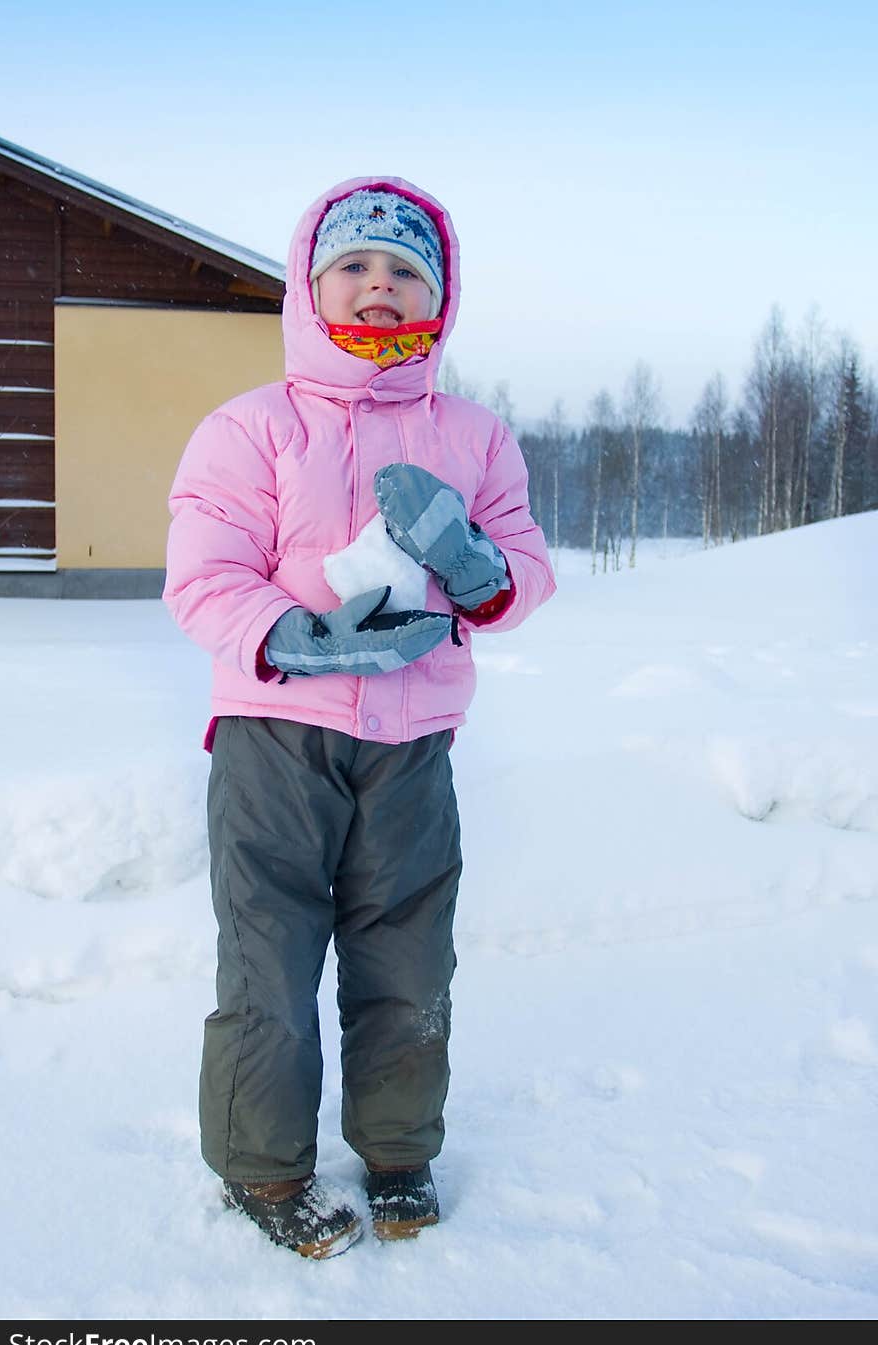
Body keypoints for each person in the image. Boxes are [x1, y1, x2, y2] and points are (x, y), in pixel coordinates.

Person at [163, 176, 556, 1259]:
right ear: (311, 283)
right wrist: (292, 635)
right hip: (273, 733)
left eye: (404, 270)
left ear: (439, 295)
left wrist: (475, 566)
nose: (378, 285)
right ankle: (264, 1164)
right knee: (268, 958)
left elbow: (523, 574)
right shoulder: (251, 427)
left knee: (408, 956)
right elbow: (203, 576)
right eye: (355, 266)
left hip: (413, 742)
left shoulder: (470, 436)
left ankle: (397, 1148)